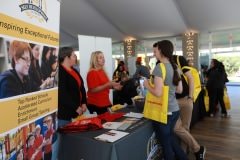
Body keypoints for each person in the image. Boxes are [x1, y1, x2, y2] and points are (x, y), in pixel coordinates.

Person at [144, 40, 187, 160]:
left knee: (166, 144)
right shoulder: (176, 67)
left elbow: (158, 92)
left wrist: (147, 85)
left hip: (163, 111)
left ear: (161, 51)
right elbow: (179, 90)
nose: (154, 54)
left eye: (155, 51)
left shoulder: (159, 67)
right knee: (169, 138)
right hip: (174, 110)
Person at [172, 55, 206, 159]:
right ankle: (197, 148)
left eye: (156, 51)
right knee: (176, 128)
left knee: (185, 128)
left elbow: (190, 78)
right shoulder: (159, 64)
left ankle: (183, 153)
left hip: (186, 99)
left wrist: (191, 97)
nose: (155, 54)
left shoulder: (178, 59)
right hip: (172, 101)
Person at [58, 47, 87, 127]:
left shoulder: (74, 70)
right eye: (74, 56)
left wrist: (84, 102)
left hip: (77, 112)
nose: (76, 58)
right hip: (65, 115)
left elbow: (81, 87)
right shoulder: (60, 72)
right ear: (67, 57)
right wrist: (75, 107)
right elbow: (62, 94)